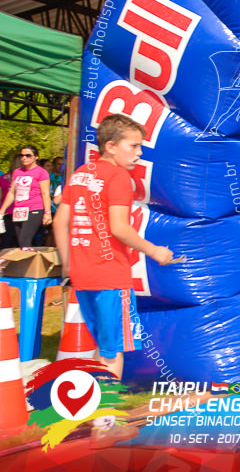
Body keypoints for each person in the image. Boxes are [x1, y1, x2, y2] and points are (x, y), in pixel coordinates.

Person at [52, 114, 174, 443]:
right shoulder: (118, 177)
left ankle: (96, 417)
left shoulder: (80, 175)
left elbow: (59, 222)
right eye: (133, 146)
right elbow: (119, 228)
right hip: (110, 276)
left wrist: (68, 264)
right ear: (110, 146)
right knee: (112, 351)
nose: (138, 153)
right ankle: (105, 426)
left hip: (83, 275)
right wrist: (155, 251)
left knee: (101, 348)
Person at [0, 145, 51, 249]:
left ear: (36, 157)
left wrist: (47, 212)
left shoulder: (41, 172)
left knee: (25, 240)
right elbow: (11, 193)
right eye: (22, 155)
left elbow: (45, 193)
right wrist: (2, 210)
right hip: (19, 210)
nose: (24, 158)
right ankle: (27, 262)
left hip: (34, 209)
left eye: (28, 155)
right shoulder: (17, 172)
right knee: (21, 243)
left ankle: (32, 264)